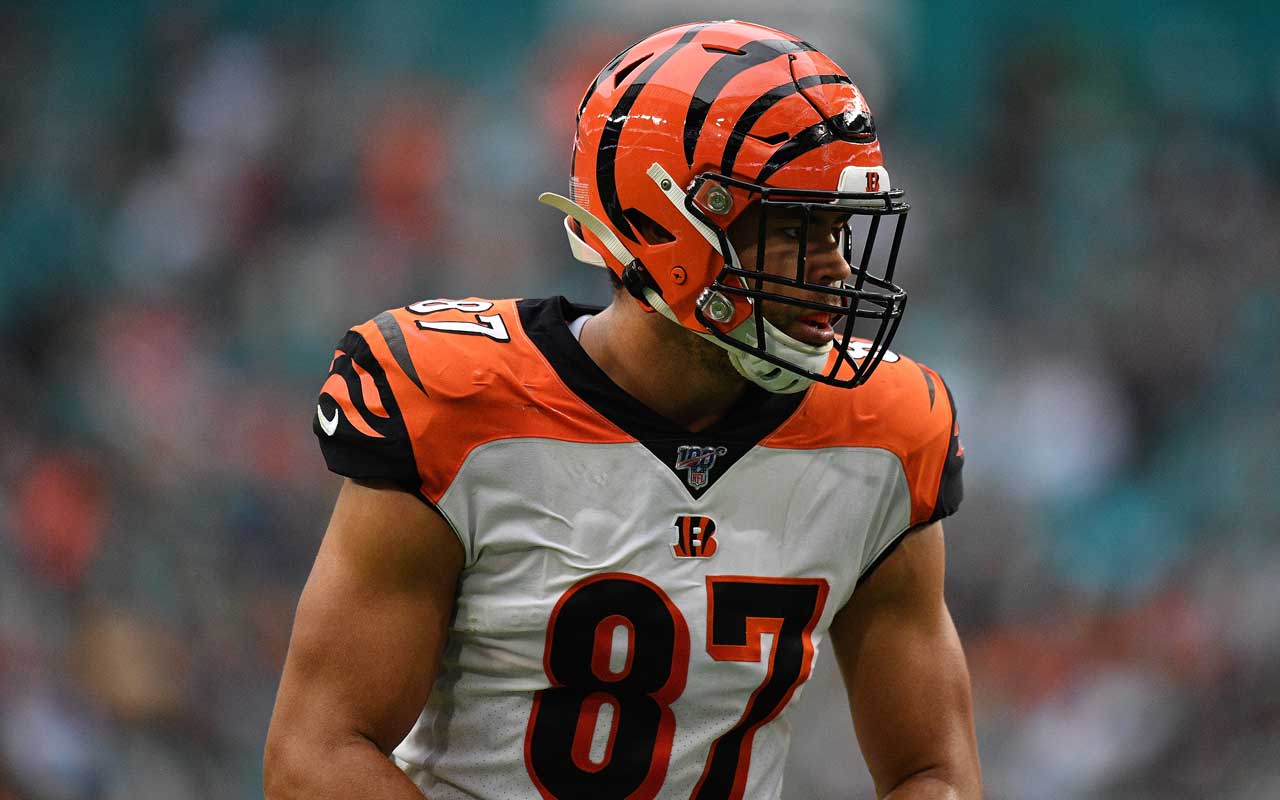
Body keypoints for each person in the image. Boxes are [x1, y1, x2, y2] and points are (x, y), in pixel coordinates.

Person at [265, 19, 981, 800]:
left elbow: (931, 772)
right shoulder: (456, 402)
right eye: (800, 228)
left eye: (840, 228)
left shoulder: (884, 434)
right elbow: (317, 754)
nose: (839, 270)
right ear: (666, 222)